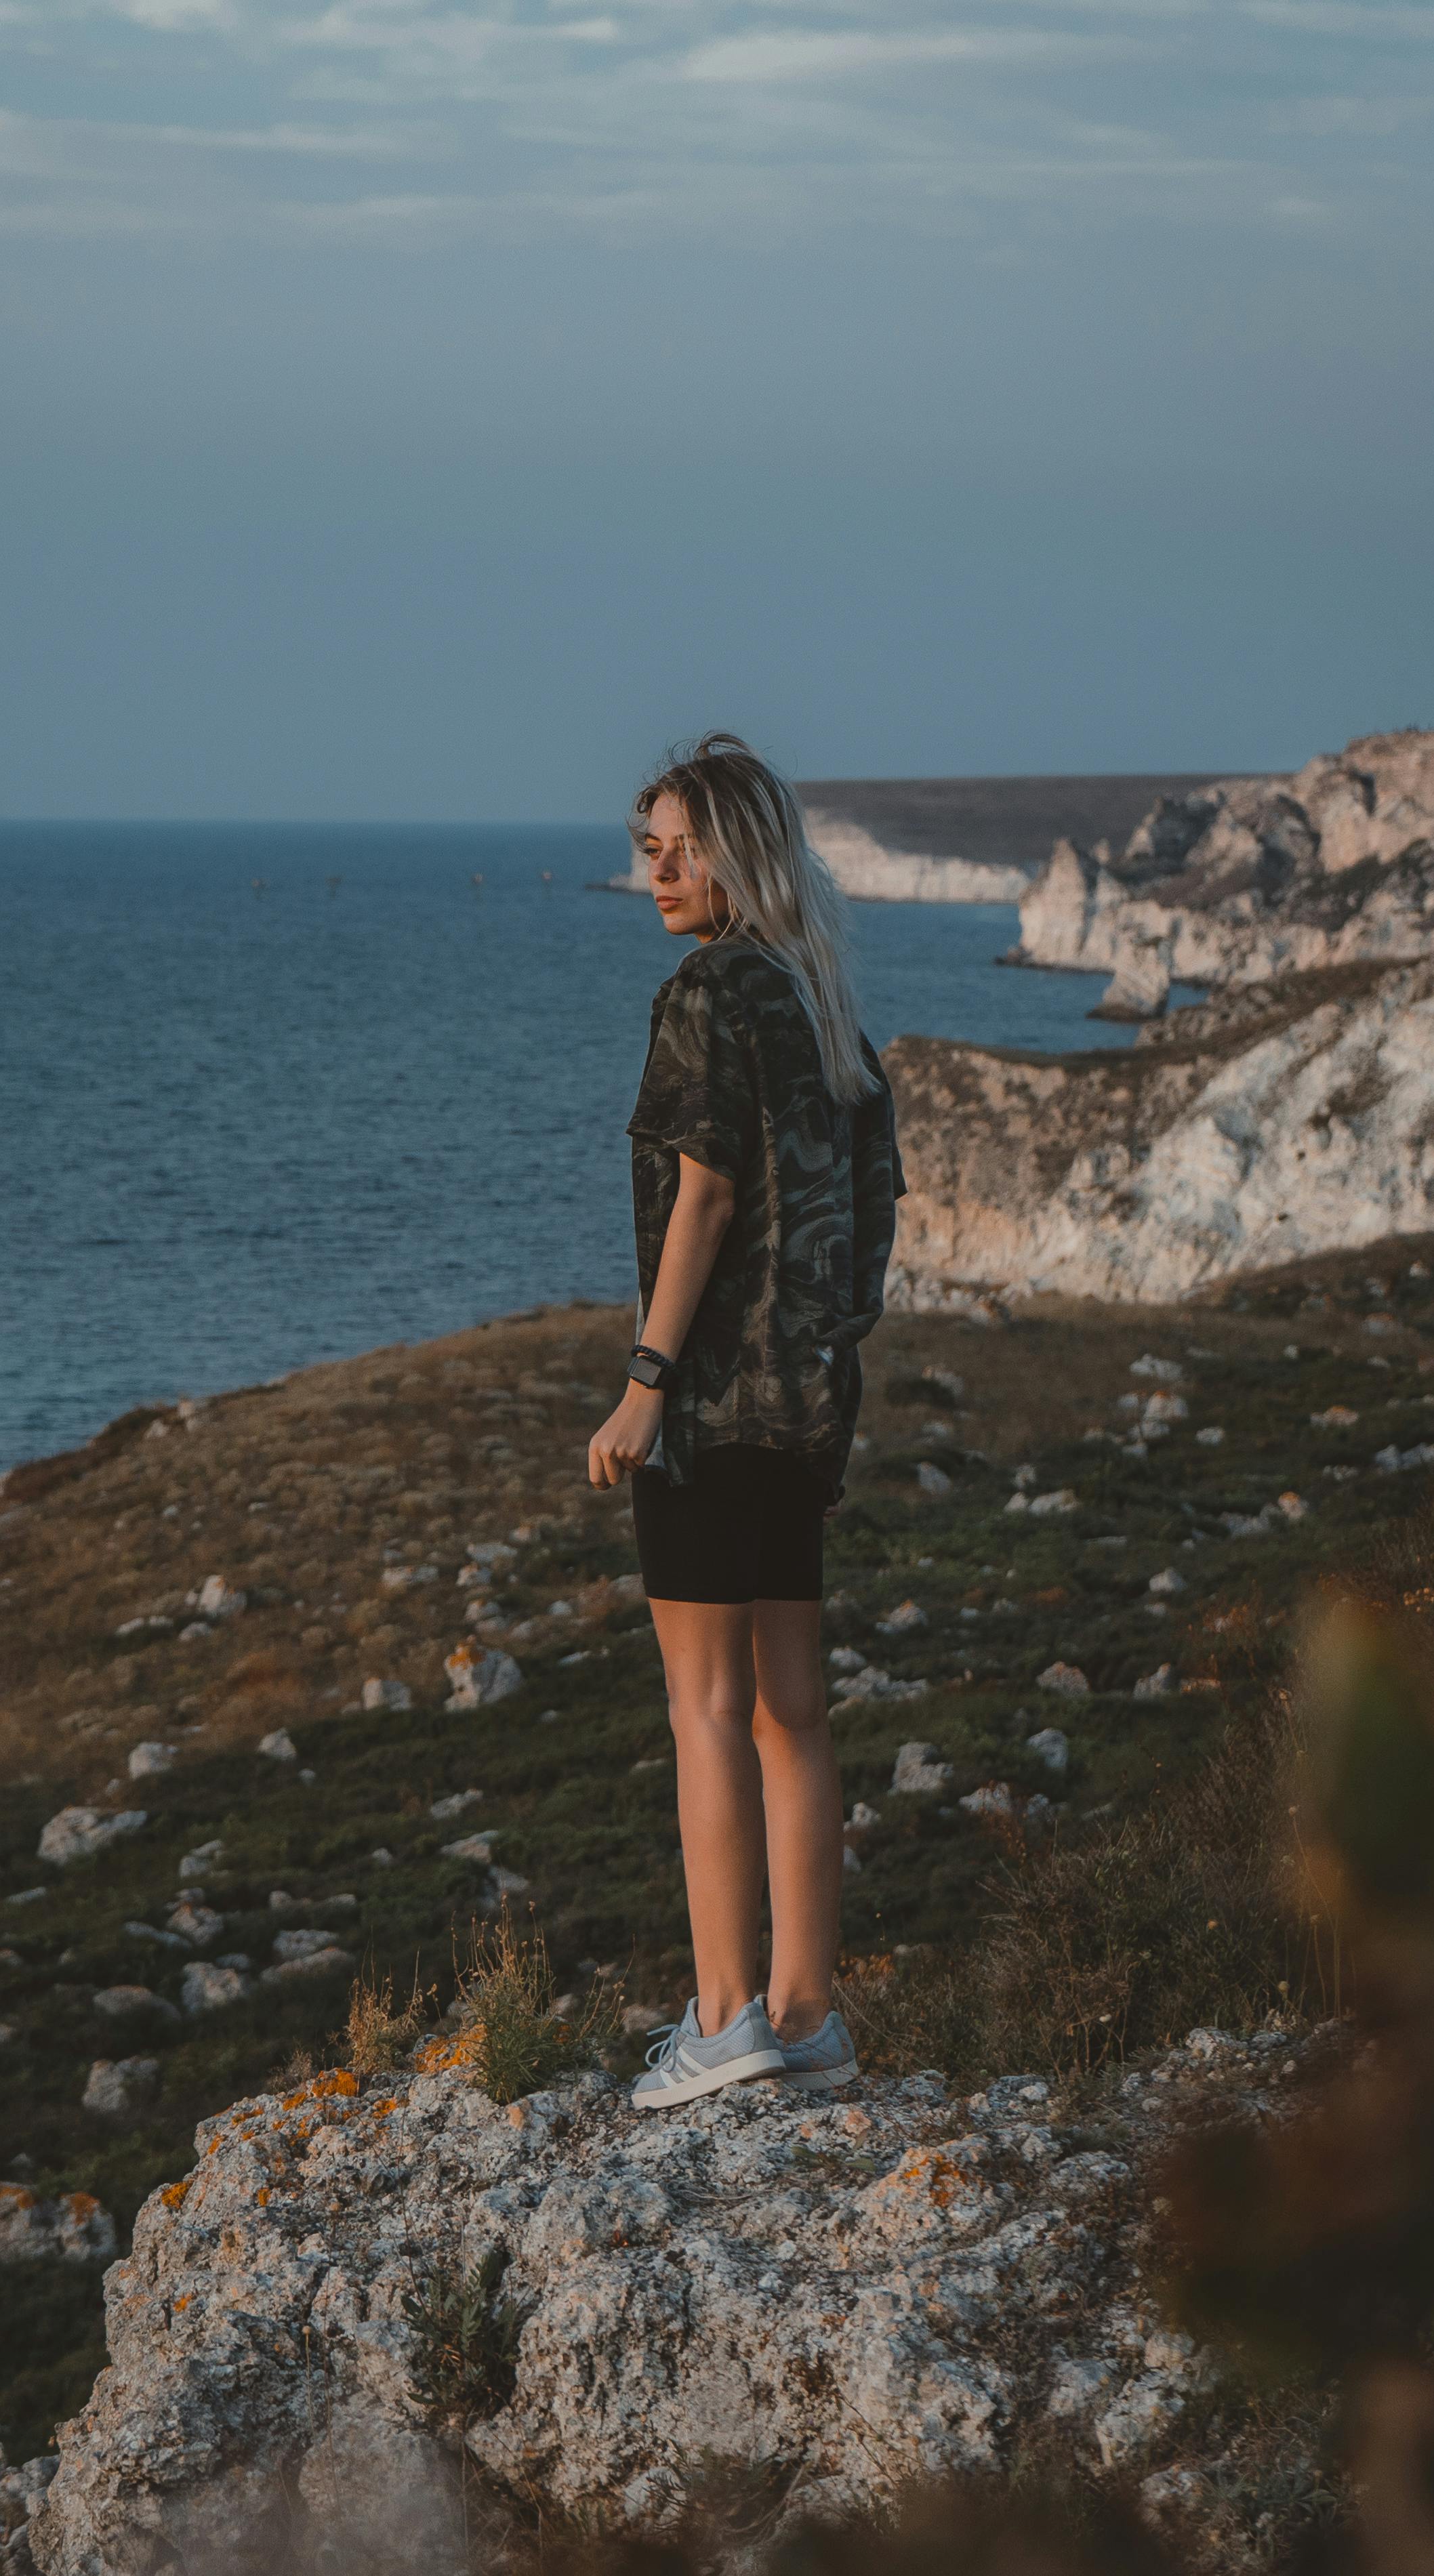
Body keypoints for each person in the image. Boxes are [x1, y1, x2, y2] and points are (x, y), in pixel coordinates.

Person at [587, 734, 905, 2112]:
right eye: (648, 846)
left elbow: (707, 1189)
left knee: (706, 1709)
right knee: (793, 1712)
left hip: (714, 1405)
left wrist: (650, 1375)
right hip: (807, 1405)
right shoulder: (822, 997)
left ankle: (723, 2022)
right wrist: (824, 1345)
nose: (658, 872)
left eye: (684, 847)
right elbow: (878, 1210)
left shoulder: (711, 989)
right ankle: (811, 2017)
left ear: (741, 852)